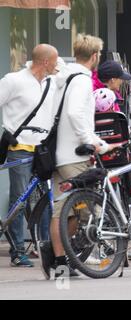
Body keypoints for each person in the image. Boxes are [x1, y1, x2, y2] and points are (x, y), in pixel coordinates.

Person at [38, 34, 116, 279]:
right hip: (74, 155)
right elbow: (74, 114)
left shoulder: (62, 77)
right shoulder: (81, 81)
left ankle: (60, 261)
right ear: (95, 56)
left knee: (62, 211)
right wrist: (93, 142)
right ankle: (55, 253)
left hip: (58, 155)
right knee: (84, 211)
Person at [0, 44, 58, 267]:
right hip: (20, 148)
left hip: (42, 149)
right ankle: (17, 251)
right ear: (45, 62)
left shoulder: (51, 82)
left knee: (47, 200)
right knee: (19, 200)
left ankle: (43, 246)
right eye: (54, 62)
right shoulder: (13, 80)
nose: (57, 66)